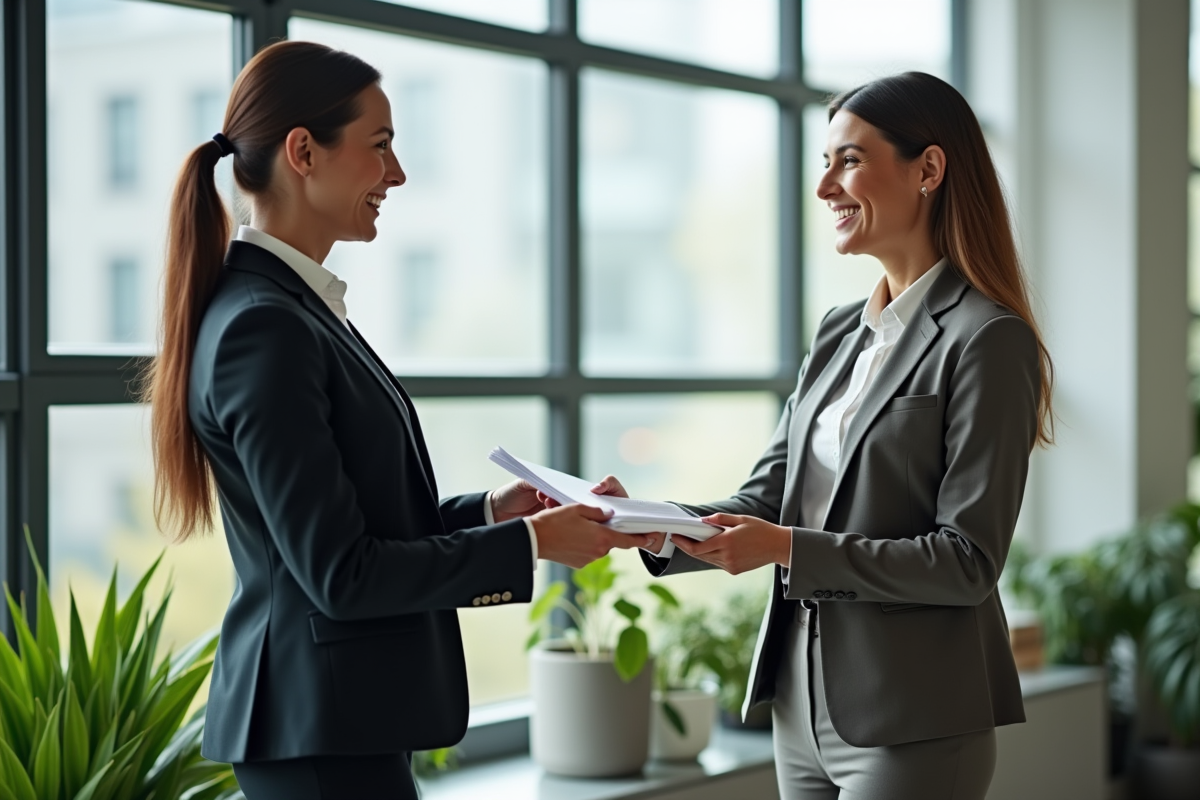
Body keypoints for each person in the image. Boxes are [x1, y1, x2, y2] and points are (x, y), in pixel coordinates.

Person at [147, 40, 651, 800]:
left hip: (337, 724)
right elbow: (341, 576)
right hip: (317, 734)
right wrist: (533, 543)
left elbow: (355, 527)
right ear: (303, 152)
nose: (398, 173)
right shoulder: (266, 328)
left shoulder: (295, 312)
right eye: (379, 146)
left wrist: (493, 513)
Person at [591, 72, 1054, 800]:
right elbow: (771, 495)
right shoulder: (840, 330)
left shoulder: (987, 340)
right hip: (800, 706)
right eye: (824, 163)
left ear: (928, 169)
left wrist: (781, 548)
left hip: (913, 717)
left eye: (849, 160)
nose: (825, 188)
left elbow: (967, 561)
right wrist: (652, 525)